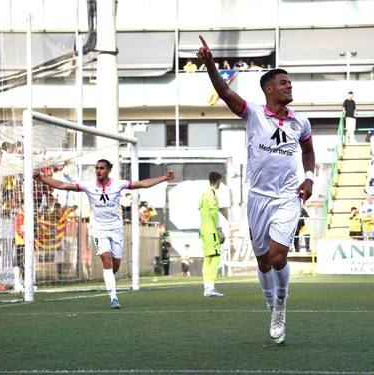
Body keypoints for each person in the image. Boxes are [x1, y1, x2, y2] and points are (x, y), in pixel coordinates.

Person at [197, 35, 315, 344]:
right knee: (262, 261)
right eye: (284, 83)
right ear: (269, 88)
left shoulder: (300, 122)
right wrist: (210, 66)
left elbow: (309, 153)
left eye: (290, 83)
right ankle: (270, 302)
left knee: (278, 258)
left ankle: (281, 305)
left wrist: (310, 178)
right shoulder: (253, 113)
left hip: (288, 198)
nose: (290, 86)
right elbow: (224, 91)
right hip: (258, 198)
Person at [34, 159, 174, 309]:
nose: (98, 171)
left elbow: (142, 184)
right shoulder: (88, 186)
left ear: (108, 170)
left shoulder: (118, 184)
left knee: (116, 264)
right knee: (106, 260)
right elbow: (62, 185)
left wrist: (164, 178)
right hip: (99, 229)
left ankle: (109, 279)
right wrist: (43, 178)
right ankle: (113, 297)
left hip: (116, 229)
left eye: (101, 168)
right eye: (96, 168)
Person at [199, 171, 225, 297]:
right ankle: (210, 287)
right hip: (211, 230)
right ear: (218, 180)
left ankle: (207, 287)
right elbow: (214, 212)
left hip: (203, 230)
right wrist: (219, 229)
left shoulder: (203, 194)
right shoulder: (212, 194)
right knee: (215, 257)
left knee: (208, 258)